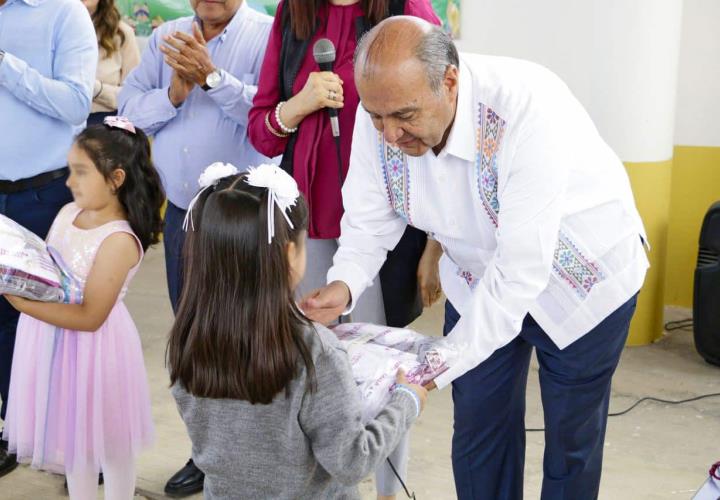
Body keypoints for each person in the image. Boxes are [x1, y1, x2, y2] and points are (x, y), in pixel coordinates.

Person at [302, 17, 650, 500]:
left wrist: (438, 362)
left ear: (449, 81)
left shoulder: (525, 109)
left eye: (404, 116)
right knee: (478, 431)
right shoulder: (380, 111)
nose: (389, 135)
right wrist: (344, 285)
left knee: (572, 441)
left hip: (579, 282)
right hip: (477, 275)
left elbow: (520, 270)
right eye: (378, 118)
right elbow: (368, 217)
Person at [248, 3, 441, 496]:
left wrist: (435, 245)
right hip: (308, 227)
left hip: (388, 229)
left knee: (377, 374)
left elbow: (444, 122)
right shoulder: (293, 14)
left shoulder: (404, 10)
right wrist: (300, 104)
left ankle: (387, 489)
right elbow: (260, 130)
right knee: (313, 367)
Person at [167, 163, 428, 500]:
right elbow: (351, 461)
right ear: (290, 254)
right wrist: (406, 401)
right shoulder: (313, 348)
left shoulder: (189, 339)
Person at [118, 1, 276, 493]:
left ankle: (254, 455)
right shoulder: (169, 35)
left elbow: (273, 117)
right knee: (194, 339)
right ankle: (205, 454)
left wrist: (212, 79)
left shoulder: (268, 35)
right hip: (185, 214)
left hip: (244, 216)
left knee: (248, 339)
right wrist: (174, 91)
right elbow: (128, 113)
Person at [2, 118, 163, 499]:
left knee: (110, 440)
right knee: (74, 442)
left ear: (116, 178)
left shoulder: (119, 239)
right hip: (54, 343)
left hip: (95, 351)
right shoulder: (66, 214)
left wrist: (19, 301)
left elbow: (91, 316)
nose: (69, 182)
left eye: (80, 173)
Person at [0, 0, 97, 478]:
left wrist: (3, 63)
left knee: (45, 318)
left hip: (41, 196)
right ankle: (9, 428)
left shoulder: (64, 13)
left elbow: (76, 103)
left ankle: (60, 434)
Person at [82, 0, 141, 126]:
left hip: (106, 125)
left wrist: (97, 89)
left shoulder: (122, 33)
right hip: (60, 122)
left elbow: (135, 93)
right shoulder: (53, 29)